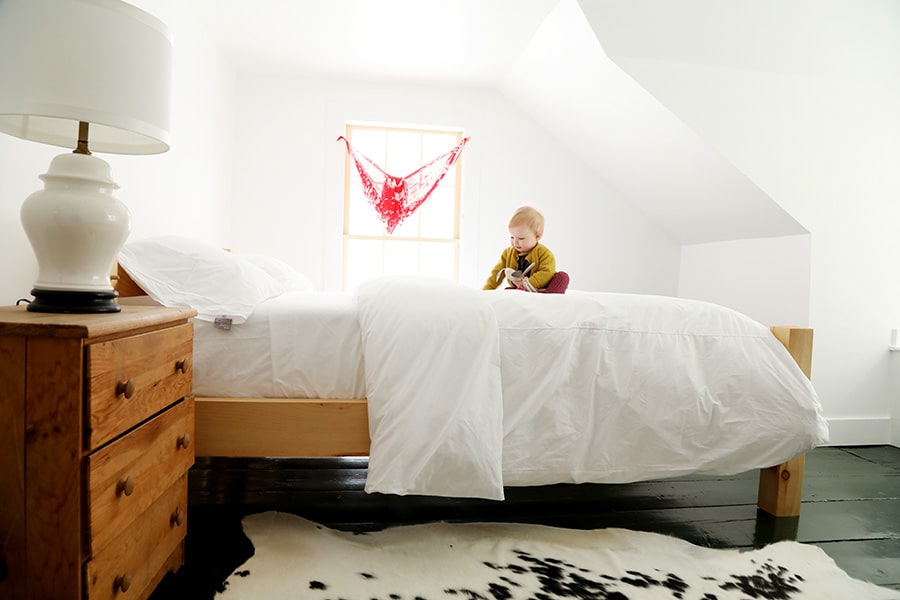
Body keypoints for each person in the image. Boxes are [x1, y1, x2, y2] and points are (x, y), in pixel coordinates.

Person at [483, 206, 569, 294]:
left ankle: (548, 295)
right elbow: (496, 273)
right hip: (520, 287)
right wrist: (486, 290)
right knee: (508, 290)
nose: (515, 242)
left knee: (562, 277)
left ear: (537, 236)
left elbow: (546, 272)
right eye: (512, 237)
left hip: (542, 287)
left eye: (521, 238)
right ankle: (520, 292)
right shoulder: (507, 253)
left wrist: (527, 283)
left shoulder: (545, 254)